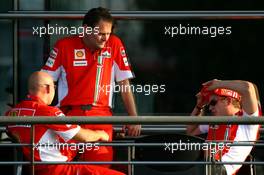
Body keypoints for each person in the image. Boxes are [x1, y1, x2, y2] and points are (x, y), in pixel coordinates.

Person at [41, 7, 141, 165]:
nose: (105, 38)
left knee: (99, 167)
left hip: (101, 118)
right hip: (69, 116)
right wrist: (38, 112)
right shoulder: (64, 45)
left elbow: (124, 84)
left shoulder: (114, 43)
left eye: (108, 33)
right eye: (100, 33)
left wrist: (134, 118)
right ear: (86, 29)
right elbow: (44, 82)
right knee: (63, 167)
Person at [5, 71, 125, 175]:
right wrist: (101, 134)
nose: (54, 91)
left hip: (32, 169)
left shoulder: (11, 113)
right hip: (57, 170)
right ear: (47, 88)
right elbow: (82, 136)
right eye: (54, 87)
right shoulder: (48, 112)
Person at [187, 79, 261, 175]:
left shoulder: (246, 120)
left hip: (220, 170)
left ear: (228, 100)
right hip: (205, 165)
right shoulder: (215, 120)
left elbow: (248, 88)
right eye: (208, 104)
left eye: (213, 103)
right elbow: (190, 131)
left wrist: (219, 84)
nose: (210, 108)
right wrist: (199, 106)